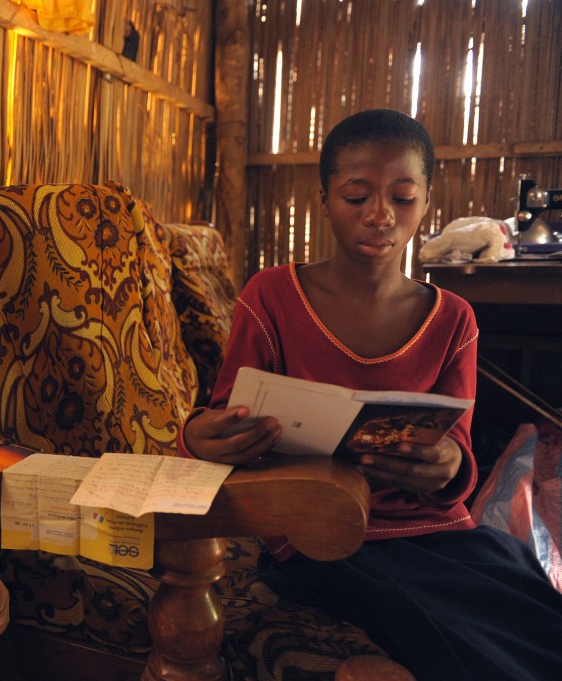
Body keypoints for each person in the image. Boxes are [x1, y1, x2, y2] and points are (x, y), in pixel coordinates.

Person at [179, 109, 562, 680]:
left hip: (437, 534)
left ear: (426, 202)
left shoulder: (452, 319)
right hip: (317, 537)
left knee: (533, 615)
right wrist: (201, 437)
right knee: (450, 636)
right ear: (325, 199)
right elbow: (224, 418)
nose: (379, 216)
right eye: (356, 196)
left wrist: (445, 465)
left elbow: (456, 454)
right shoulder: (272, 297)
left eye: (402, 198)